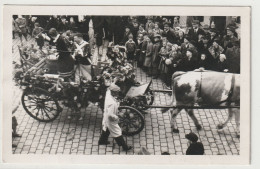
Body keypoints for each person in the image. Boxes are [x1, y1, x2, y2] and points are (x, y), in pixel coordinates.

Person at [98, 83, 132, 151]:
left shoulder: (108, 93)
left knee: (106, 128)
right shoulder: (112, 104)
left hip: (106, 114)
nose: (118, 93)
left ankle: (102, 141)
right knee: (117, 132)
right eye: (117, 92)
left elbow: (109, 87)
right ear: (113, 92)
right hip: (110, 118)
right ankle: (124, 147)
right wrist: (117, 117)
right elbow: (110, 115)